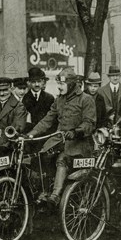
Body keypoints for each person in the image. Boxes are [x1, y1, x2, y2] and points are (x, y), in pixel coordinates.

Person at [27, 67, 96, 206]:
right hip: (60, 140)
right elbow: (48, 119)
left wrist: (76, 132)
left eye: (62, 84)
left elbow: (89, 123)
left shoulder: (86, 99)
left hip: (79, 144)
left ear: (71, 84)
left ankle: (55, 195)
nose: (59, 87)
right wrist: (31, 133)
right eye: (58, 84)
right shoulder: (59, 100)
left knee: (62, 159)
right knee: (42, 155)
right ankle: (45, 191)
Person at [0, 77, 28, 150]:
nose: (2, 93)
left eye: (5, 90)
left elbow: (17, 129)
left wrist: (3, 148)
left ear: (11, 89)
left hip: (10, 148)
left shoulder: (19, 107)